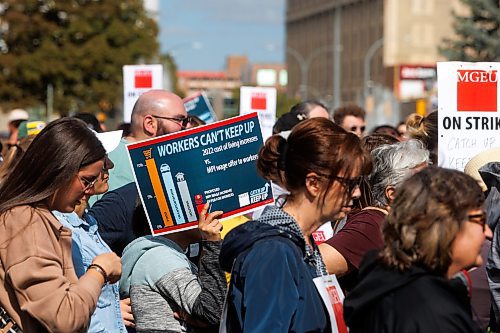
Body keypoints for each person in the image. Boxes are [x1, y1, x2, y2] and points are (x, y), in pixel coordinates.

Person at [219, 118, 372, 332]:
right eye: (350, 183)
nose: (356, 193)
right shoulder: (274, 252)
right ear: (314, 183)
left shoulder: (302, 243)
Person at [0, 118, 122, 332]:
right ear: (58, 170)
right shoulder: (25, 221)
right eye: (86, 181)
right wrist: (99, 270)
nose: (90, 191)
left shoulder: (33, 216)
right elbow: (63, 317)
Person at [344, 167, 489, 333]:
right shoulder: (432, 315)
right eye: (479, 220)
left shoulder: (391, 284)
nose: (488, 232)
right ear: (445, 227)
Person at [319, 140, 429, 291]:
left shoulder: (402, 224)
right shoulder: (372, 223)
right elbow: (310, 268)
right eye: (423, 182)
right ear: (392, 194)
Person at [53, 129, 129, 333]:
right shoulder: (62, 228)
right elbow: (69, 302)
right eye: (103, 160)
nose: (110, 166)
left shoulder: (88, 221)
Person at [120, 204, 226, 333]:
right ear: (175, 218)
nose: (206, 216)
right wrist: (212, 244)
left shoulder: (163, 256)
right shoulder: (162, 259)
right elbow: (213, 311)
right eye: (197, 209)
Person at [90, 89, 190, 204]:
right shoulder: (111, 161)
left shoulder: (168, 161)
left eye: (186, 120)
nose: (185, 127)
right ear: (150, 124)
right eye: (179, 120)